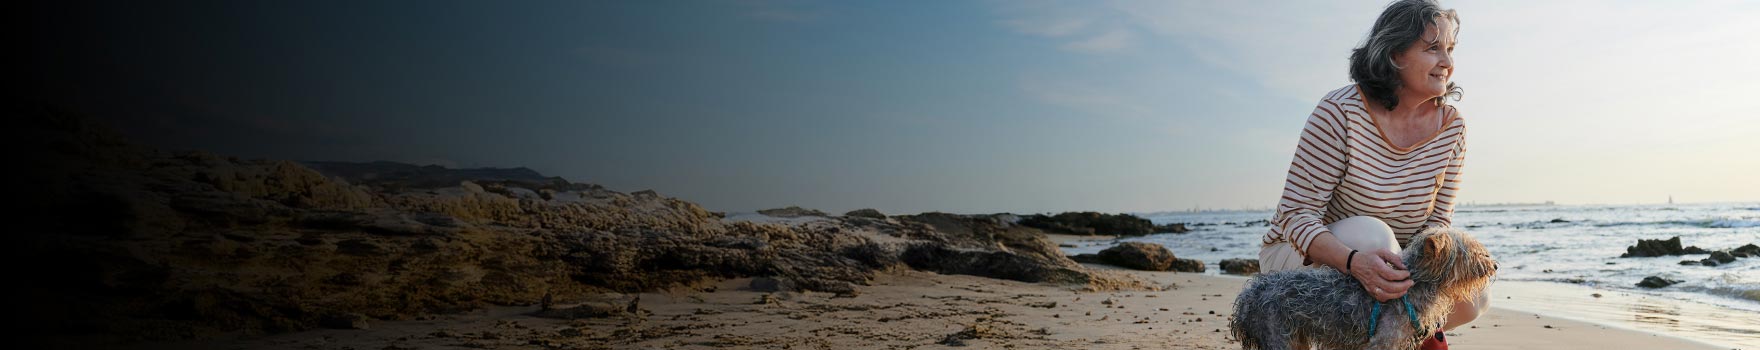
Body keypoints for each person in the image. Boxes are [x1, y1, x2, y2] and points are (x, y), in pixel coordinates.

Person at [1255, 1, 1487, 348]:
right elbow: (1296, 215)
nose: (1448, 63)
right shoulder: (1339, 112)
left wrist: (1413, 285)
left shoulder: (1452, 128)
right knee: (1372, 236)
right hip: (1300, 259)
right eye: (1433, 48)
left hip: (1390, 267)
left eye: (1451, 50)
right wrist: (1354, 262)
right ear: (1395, 55)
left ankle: (1390, 335)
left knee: (1474, 297)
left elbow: (1436, 228)